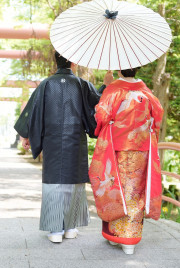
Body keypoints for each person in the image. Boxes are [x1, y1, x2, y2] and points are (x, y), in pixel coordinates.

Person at [14, 51, 113, 243]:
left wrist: (25, 134)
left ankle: (54, 230)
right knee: (73, 181)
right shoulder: (81, 84)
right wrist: (106, 85)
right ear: (73, 63)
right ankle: (70, 227)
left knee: (54, 181)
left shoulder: (45, 85)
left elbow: (32, 111)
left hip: (52, 141)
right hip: (75, 139)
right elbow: (99, 102)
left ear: (56, 62)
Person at [89, 68, 163, 254]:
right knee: (135, 192)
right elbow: (158, 115)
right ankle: (130, 238)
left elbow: (101, 116)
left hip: (117, 148)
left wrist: (107, 85)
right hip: (142, 148)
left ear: (119, 71)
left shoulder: (114, 90)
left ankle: (117, 235)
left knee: (116, 189)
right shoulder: (146, 92)